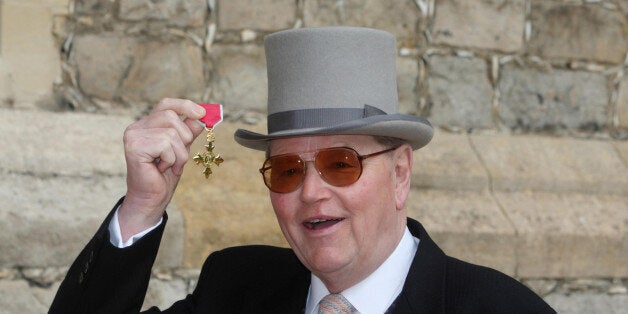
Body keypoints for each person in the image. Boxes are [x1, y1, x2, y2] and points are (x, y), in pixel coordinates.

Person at [50, 27, 554, 313]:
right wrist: (142, 208)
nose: (311, 192)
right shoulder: (236, 291)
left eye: (341, 163)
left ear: (401, 174)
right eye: (288, 170)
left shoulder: (502, 311)